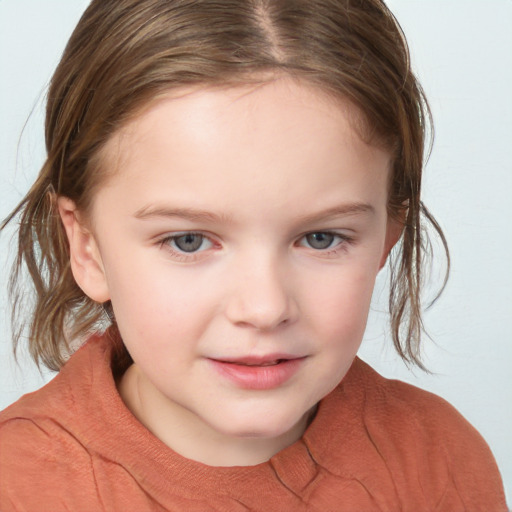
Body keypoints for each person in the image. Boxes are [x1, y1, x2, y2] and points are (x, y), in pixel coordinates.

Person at [0, 0, 507, 510]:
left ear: (386, 238)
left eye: (321, 238)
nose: (264, 308)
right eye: (188, 241)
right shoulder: (16, 484)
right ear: (86, 247)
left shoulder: (438, 461)